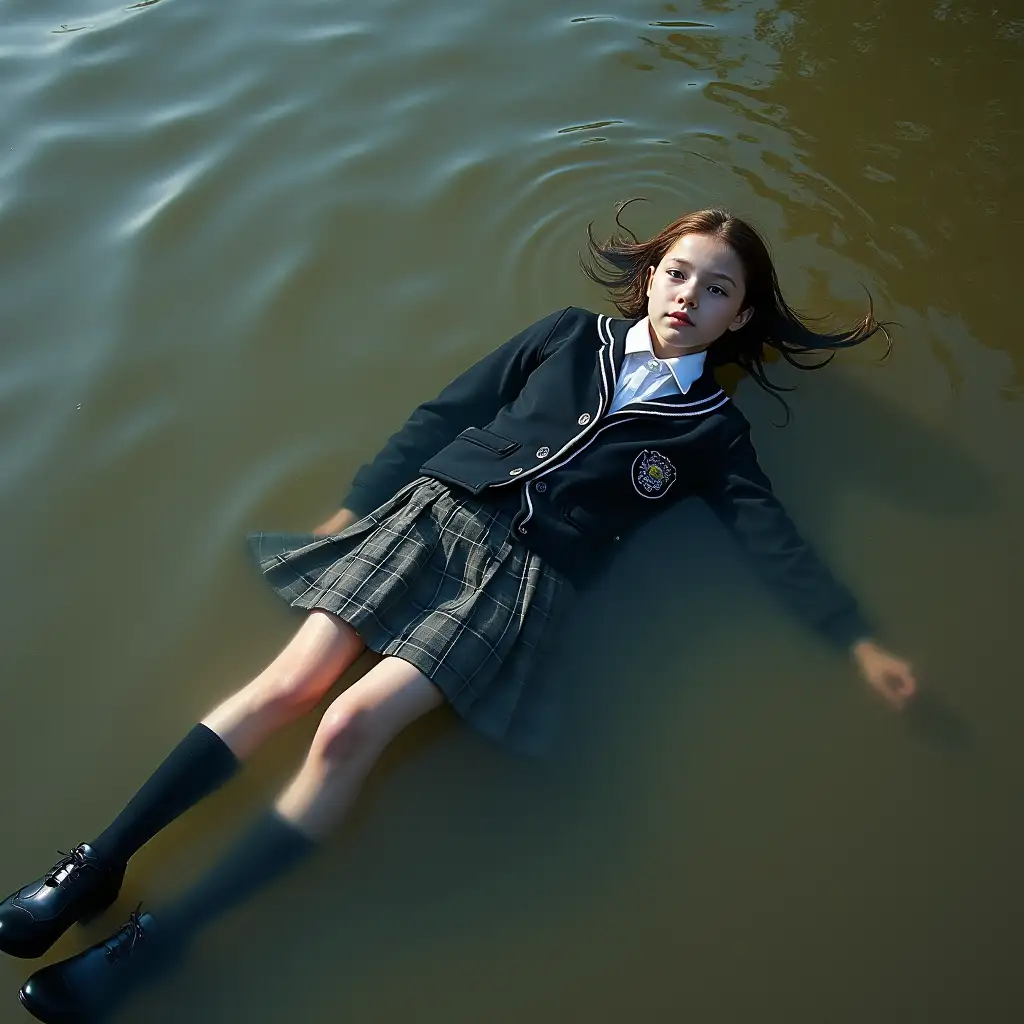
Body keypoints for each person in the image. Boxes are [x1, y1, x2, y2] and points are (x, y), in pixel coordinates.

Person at [1, 205, 917, 1021]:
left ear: (741, 316)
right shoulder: (568, 334)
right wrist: (360, 504)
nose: (688, 296)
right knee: (290, 682)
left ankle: (158, 941)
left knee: (349, 727)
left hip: (519, 583)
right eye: (677, 272)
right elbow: (449, 410)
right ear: (650, 276)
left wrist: (857, 642)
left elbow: (774, 541)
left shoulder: (714, 431)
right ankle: (94, 865)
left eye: (717, 289)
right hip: (429, 515)